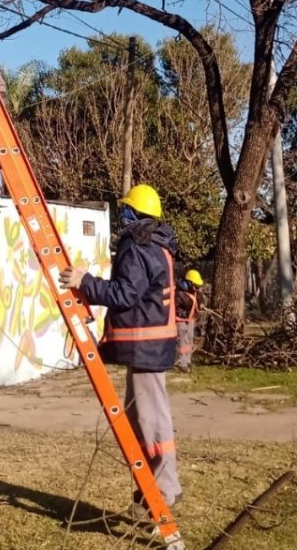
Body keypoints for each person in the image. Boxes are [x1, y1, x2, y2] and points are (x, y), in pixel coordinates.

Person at [58, 183, 181, 513]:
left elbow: (126, 294)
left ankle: (164, 492)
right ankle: (151, 490)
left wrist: (84, 281)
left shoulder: (138, 246)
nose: (122, 216)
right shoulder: (158, 245)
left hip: (146, 345)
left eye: (127, 209)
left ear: (136, 214)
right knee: (140, 417)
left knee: (150, 420)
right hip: (150, 345)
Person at [174, 268, 204, 372]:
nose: (197, 288)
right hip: (180, 320)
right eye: (196, 285)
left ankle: (187, 360)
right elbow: (174, 307)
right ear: (189, 282)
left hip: (190, 319)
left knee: (190, 339)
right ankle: (181, 363)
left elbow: (198, 300)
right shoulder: (178, 293)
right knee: (182, 340)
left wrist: (201, 303)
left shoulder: (194, 291)